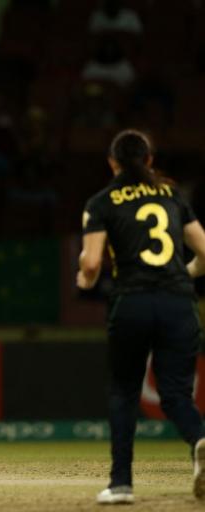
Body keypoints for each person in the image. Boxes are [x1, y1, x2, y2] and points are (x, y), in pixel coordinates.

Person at [77, 129, 205, 504]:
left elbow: (92, 263)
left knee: (124, 392)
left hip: (131, 302)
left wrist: (82, 274)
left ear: (112, 163)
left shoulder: (102, 202)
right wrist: (182, 273)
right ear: (149, 160)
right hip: (179, 303)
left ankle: (121, 484)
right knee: (176, 394)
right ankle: (199, 437)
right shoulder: (173, 196)